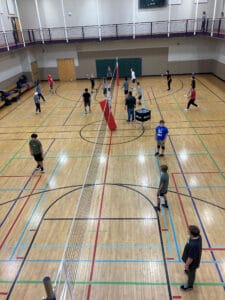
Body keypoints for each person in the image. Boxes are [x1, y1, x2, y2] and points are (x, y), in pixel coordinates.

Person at [181, 225, 202, 291]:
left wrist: (187, 265)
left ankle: (189, 286)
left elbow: (190, 258)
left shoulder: (193, 245)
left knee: (191, 273)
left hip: (192, 263)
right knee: (190, 271)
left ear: (192, 234)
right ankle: (188, 272)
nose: (187, 230)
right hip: (191, 257)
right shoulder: (198, 237)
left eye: (188, 230)